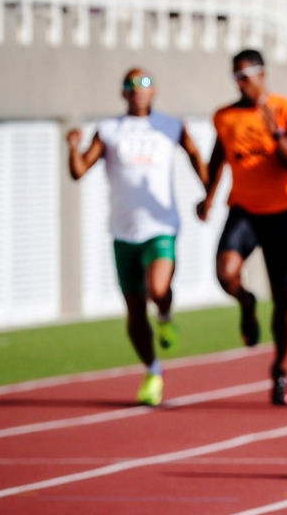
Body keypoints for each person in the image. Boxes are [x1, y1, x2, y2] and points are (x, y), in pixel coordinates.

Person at [67, 69, 207, 406]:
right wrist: (73, 147)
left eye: (144, 84)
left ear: (154, 90)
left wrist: (210, 194)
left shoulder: (170, 125)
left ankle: (166, 316)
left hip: (161, 227)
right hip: (122, 232)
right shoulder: (110, 129)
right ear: (123, 93)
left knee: (158, 289)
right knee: (133, 314)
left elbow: (194, 154)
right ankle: (153, 371)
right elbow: (79, 170)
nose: (137, 90)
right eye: (131, 85)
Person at [196, 49, 287, 406]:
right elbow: (217, 157)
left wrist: (275, 131)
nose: (241, 82)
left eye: (246, 74)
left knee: (284, 297)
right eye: (236, 77)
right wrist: (208, 196)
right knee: (226, 274)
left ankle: (281, 370)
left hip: (279, 214)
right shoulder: (224, 117)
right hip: (243, 211)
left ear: (262, 73)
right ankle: (245, 302)